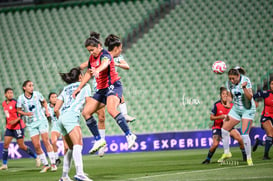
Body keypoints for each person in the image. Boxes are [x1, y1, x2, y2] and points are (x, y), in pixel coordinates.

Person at [73, 32, 136, 154]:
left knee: (111, 110)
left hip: (113, 86)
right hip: (101, 90)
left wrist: (98, 69)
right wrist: (79, 88)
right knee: (86, 112)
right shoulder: (92, 58)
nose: (91, 53)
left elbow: (105, 63)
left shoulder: (105, 54)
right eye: (89, 51)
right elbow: (88, 73)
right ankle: (99, 140)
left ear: (99, 46)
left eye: (92, 50)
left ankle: (129, 135)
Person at [54, 67, 93, 181]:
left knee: (70, 148)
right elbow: (89, 102)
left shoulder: (65, 89)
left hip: (61, 118)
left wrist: (62, 120)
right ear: (80, 77)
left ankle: (64, 176)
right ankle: (80, 173)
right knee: (78, 144)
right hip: (71, 116)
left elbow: (56, 108)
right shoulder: (85, 86)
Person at [17, 80, 57, 172]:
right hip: (31, 124)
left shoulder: (37, 94)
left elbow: (44, 102)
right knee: (36, 145)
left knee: (46, 141)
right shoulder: (20, 98)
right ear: (24, 88)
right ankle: (45, 164)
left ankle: (53, 163)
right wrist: (25, 113)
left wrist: (47, 110)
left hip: (41, 120)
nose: (32, 87)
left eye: (32, 85)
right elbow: (18, 110)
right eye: (29, 86)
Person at [219, 68, 256, 166]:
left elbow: (250, 97)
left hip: (247, 109)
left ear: (238, 76)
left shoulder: (246, 81)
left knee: (244, 135)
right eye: (230, 78)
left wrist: (244, 88)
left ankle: (249, 158)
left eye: (233, 79)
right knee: (224, 130)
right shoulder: (229, 83)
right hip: (236, 109)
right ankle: (227, 152)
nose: (231, 80)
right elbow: (231, 96)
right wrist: (228, 103)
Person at [202, 87, 246, 164]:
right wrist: (221, 116)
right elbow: (211, 117)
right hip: (218, 127)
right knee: (215, 144)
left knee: (240, 139)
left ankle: (245, 157)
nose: (225, 95)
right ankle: (208, 159)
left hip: (228, 127)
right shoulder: (217, 104)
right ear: (220, 95)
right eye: (223, 94)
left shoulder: (232, 105)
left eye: (227, 94)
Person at [0, 88, 40, 170]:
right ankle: (4, 164)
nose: (11, 94)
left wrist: (14, 121)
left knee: (21, 146)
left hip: (18, 127)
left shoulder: (15, 103)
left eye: (11, 93)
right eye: (9, 93)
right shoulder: (3, 103)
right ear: (5, 94)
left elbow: (21, 114)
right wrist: (7, 124)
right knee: (5, 145)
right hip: (9, 127)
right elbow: (7, 115)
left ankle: (36, 157)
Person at [252, 79, 273, 160]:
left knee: (271, 139)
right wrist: (255, 102)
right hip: (266, 117)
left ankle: (259, 142)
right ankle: (265, 155)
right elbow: (254, 96)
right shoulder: (266, 93)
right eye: (272, 84)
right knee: (271, 132)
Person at [47, 92, 67, 166]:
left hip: (63, 126)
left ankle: (66, 160)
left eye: (56, 97)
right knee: (54, 142)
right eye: (52, 97)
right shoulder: (47, 108)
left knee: (66, 146)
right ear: (49, 99)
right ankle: (57, 158)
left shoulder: (61, 105)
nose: (55, 99)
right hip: (55, 126)